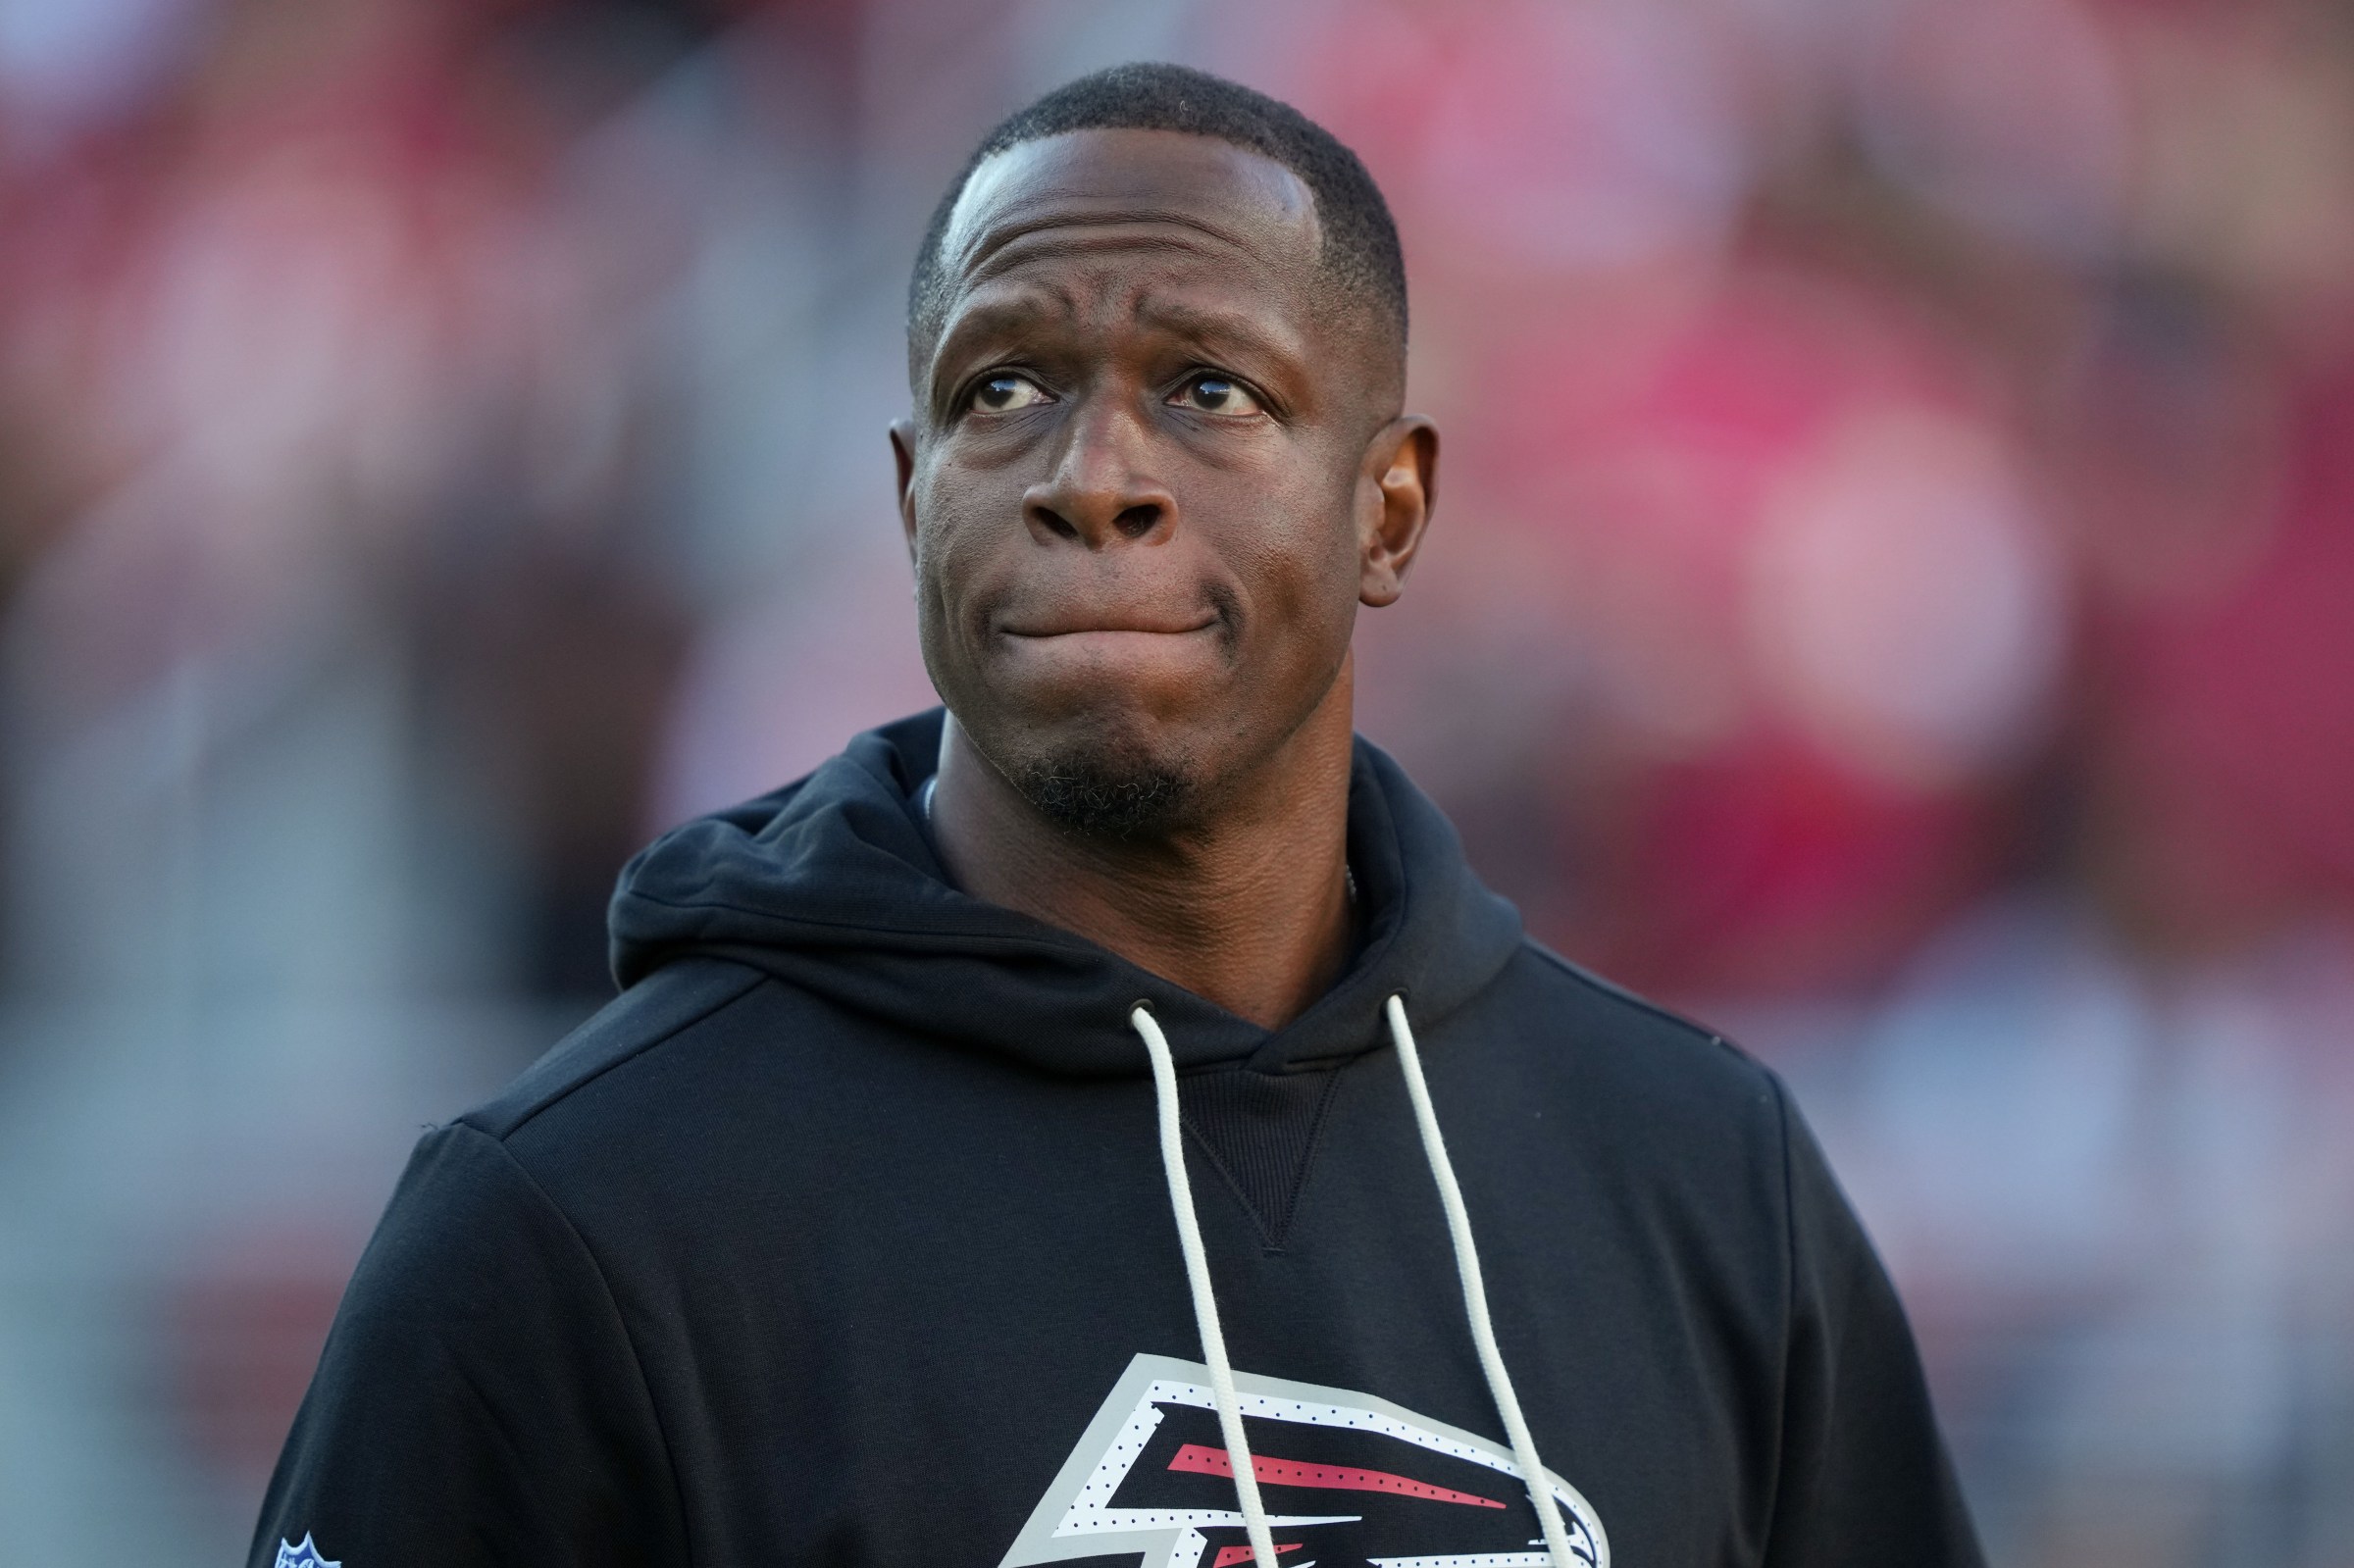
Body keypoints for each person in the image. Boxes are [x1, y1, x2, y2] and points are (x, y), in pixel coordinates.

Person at [250, 63, 1982, 1568]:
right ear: (915, 496)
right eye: (1004, 389)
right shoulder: (570, 1223)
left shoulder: (1704, 1182)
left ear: (1388, 513)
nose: (1093, 478)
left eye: (1211, 388)